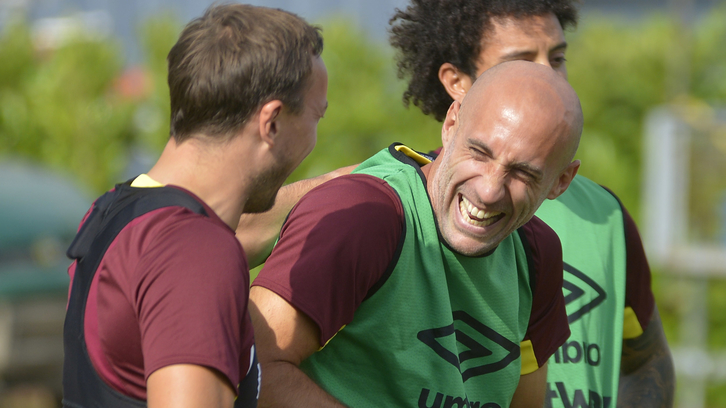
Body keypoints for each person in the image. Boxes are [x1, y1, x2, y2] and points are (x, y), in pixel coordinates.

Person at [388, 0, 674, 407]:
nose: (547, 75)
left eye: (557, 58)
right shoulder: (400, 205)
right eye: (521, 59)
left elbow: (648, 361)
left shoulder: (604, 213)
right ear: (457, 83)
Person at [250, 61, 582, 408]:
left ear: (561, 181)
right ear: (451, 123)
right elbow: (254, 369)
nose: (488, 191)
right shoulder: (365, 215)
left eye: (523, 173)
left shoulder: (536, 254)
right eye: (480, 153)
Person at [62, 4, 327, 408]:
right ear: (271, 122)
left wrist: (365, 179)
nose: (314, 137)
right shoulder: (196, 253)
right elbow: (198, 260)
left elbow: (247, 230)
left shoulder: (116, 212)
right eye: (316, 116)